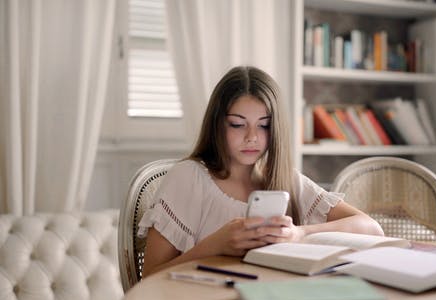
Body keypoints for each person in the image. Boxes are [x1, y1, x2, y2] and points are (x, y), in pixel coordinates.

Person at [138, 66, 384, 277]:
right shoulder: (189, 178)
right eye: (237, 124)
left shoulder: (285, 180)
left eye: (264, 126)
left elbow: (371, 228)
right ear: (217, 125)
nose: (251, 137)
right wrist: (216, 244)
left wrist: (299, 233)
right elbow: (149, 279)